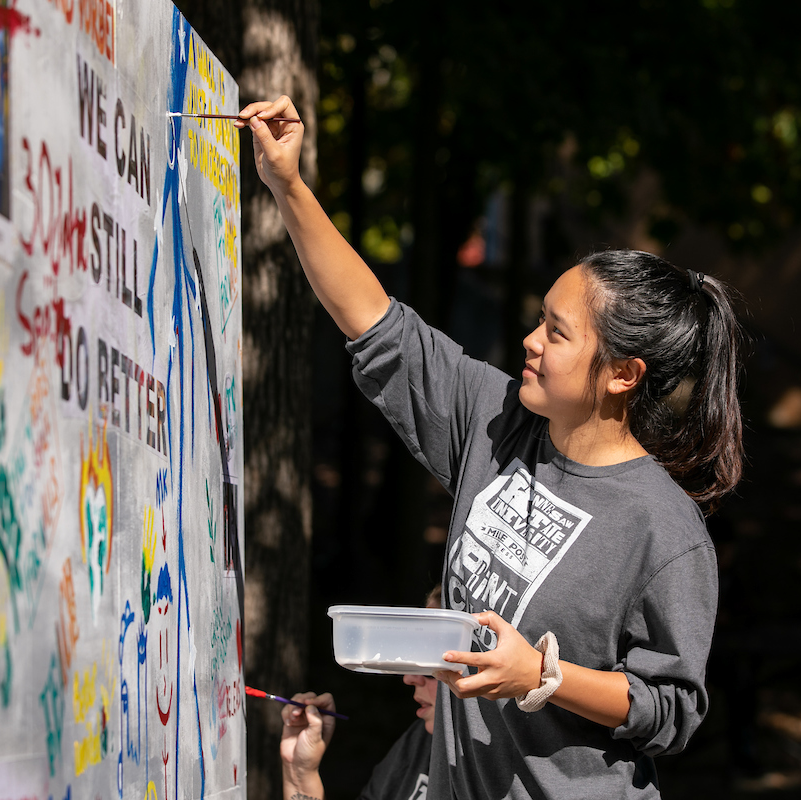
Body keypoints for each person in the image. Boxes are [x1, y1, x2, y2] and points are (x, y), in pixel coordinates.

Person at [238, 96, 744, 799]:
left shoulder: (664, 531)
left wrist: (541, 678)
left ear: (624, 376)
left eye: (559, 333)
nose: (532, 341)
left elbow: (672, 710)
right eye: (541, 319)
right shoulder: (497, 418)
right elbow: (377, 327)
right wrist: (287, 185)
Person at [281, 587, 444, 800]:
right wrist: (300, 775)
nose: (410, 677)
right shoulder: (420, 742)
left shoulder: (492, 766)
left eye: (432, 658)